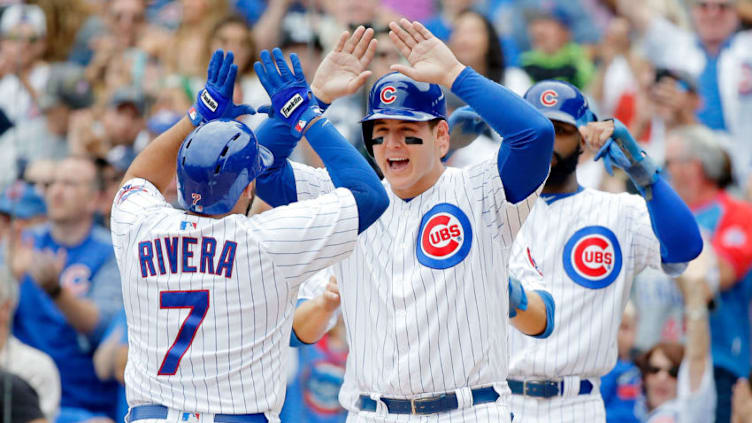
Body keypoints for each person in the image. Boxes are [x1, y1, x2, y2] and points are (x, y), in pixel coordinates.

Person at [258, 21, 556, 422]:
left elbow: (535, 134)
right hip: (372, 411)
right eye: (380, 132)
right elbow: (259, 169)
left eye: (407, 130)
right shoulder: (345, 197)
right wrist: (316, 97)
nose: (392, 144)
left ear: (442, 137)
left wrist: (455, 74)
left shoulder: (483, 191)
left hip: (467, 409)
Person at [110, 36, 388, 423]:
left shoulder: (141, 224)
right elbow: (370, 195)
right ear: (249, 187)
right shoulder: (266, 240)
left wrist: (197, 117)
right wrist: (306, 111)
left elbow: (139, 176)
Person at [449, 80, 702, 422]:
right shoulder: (483, 204)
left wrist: (643, 173)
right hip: (495, 400)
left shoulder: (619, 212)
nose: (547, 141)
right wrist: (442, 149)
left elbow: (685, 248)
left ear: (584, 137)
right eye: (536, 129)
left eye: (561, 130)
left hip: (577, 402)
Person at [12, 156, 124, 423]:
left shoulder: (110, 252)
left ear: (95, 199)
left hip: (87, 403)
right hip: (25, 393)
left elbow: (100, 325)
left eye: (70, 184)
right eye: (52, 183)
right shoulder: (24, 241)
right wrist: (10, 280)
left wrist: (56, 292)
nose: (57, 191)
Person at [664, 124, 752, 423]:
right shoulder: (655, 217)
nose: (664, 174)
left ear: (693, 166)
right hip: (659, 363)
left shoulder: (736, 213)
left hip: (719, 363)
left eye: (669, 163)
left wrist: (682, 243)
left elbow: (711, 284)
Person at [637, 244, 717, 423]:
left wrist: (693, 290)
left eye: (673, 372)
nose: (662, 377)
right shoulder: (633, 409)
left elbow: (697, 358)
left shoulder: (688, 409)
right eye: (654, 370)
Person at [600, 303, 641, 423]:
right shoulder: (599, 369)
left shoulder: (642, 364)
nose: (619, 334)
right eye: (614, 328)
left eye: (625, 327)